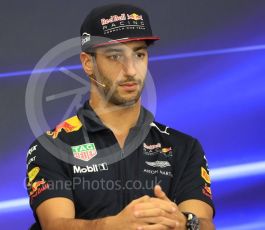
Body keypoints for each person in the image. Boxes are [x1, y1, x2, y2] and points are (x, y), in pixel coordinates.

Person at [26, 3, 215, 230]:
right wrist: (113, 226)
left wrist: (184, 223)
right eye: (115, 56)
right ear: (88, 63)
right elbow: (54, 225)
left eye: (139, 54)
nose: (131, 70)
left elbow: (206, 224)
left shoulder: (184, 147)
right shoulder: (52, 146)